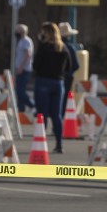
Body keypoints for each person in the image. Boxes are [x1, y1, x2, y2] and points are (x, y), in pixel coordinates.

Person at [33, 22, 72, 153]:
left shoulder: (44, 47)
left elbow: (36, 65)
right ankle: (59, 144)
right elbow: (69, 67)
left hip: (43, 81)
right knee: (57, 115)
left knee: (42, 115)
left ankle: (40, 143)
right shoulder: (63, 48)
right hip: (58, 83)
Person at [58, 22, 80, 118]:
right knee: (64, 100)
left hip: (55, 77)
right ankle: (60, 119)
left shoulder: (54, 46)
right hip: (67, 77)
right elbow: (76, 65)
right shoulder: (70, 47)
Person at [13, 23, 34, 112]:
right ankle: (21, 108)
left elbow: (28, 54)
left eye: (17, 31)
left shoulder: (26, 41)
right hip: (20, 69)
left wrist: (21, 67)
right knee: (18, 90)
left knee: (20, 90)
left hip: (24, 69)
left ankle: (32, 104)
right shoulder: (21, 41)